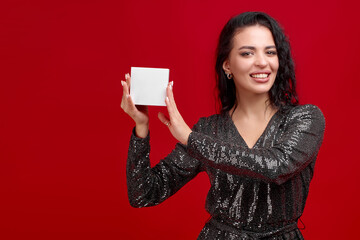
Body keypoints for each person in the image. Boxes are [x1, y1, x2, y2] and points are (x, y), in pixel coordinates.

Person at [121, 11, 325, 240]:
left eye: (270, 52)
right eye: (247, 53)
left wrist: (191, 139)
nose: (262, 61)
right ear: (227, 66)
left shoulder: (304, 118)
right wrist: (141, 127)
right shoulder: (209, 130)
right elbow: (144, 194)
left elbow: (275, 166)